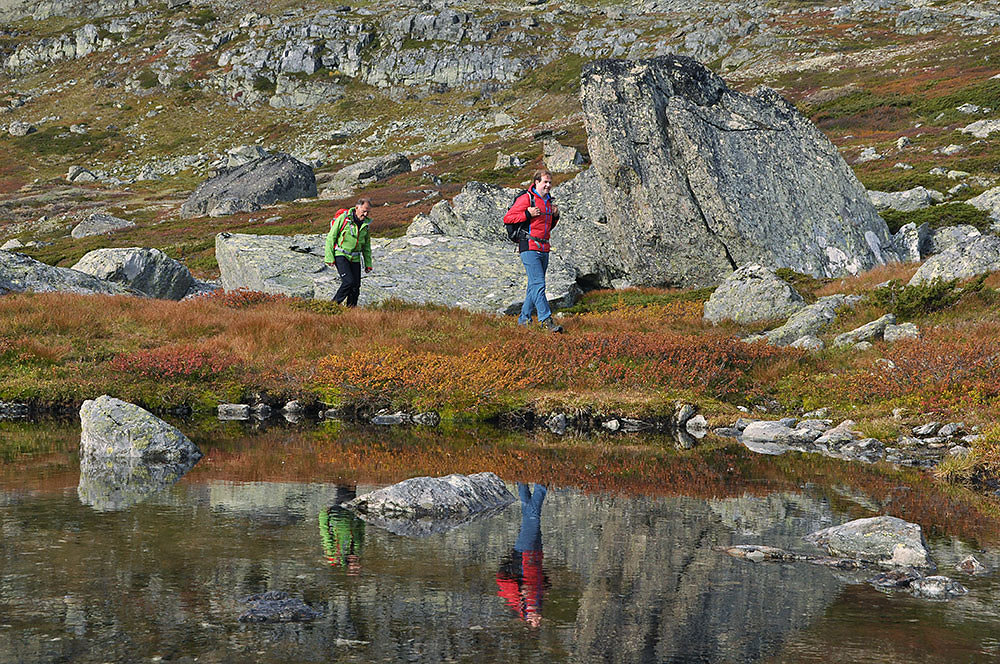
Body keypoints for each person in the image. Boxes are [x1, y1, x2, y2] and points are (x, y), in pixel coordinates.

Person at [503, 170, 564, 332]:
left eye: (550, 182)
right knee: (538, 284)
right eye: (545, 182)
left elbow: (548, 227)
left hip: (544, 247)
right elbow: (508, 218)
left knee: (533, 286)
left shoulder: (549, 202)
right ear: (536, 182)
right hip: (528, 246)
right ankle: (546, 321)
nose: (548, 185)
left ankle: (524, 319)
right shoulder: (527, 198)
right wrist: (526, 214)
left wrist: (555, 216)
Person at [496, 482, 549, 627]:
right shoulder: (534, 604)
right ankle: (521, 480)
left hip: (526, 555)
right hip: (533, 555)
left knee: (533, 517)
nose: (538, 620)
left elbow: (527, 587)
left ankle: (541, 482)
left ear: (528, 619)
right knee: (528, 512)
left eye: (534, 621)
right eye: (538, 621)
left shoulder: (527, 605)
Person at [325, 198, 373, 307]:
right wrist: (329, 257)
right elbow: (331, 237)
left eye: (368, 212)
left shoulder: (366, 225)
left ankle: (351, 311)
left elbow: (366, 246)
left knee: (356, 286)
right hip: (341, 255)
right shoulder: (344, 219)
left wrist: (368, 264)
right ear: (357, 208)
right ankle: (332, 306)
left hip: (355, 258)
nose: (365, 214)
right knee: (348, 282)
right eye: (364, 211)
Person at [319, 486, 365, 576]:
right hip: (352, 514)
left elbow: (325, 534)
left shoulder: (334, 555)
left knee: (344, 490)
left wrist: (323, 516)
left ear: (348, 568)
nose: (356, 566)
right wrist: (362, 516)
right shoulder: (358, 551)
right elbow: (361, 532)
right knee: (351, 491)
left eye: (353, 569)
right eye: (357, 569)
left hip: (338, 516)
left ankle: (343, 478)